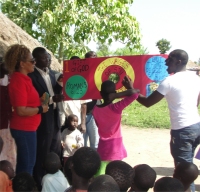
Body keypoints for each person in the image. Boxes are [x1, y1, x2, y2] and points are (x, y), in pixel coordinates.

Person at [136, 49, 200, 192]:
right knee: (188, 167)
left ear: (178, 62)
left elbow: (147, 102)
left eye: (169, 59)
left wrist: (132, 91)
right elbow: (196, 102)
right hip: (196, 126)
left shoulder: (169, 81)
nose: (165, 62)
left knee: (183, 173)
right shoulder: (196, 78)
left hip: (182, 131)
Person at [4, 44, 48, 175]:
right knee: (27, 165)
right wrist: (40, 109)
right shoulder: (19, 81)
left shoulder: (24, 79)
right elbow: (21, 110)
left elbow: (26, 103)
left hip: (28, 128)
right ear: (22, 64)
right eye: (32, 61)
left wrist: (40, 100)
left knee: (27, 163)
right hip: (24, 129)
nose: (34, 63)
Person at [28, 47, 63, 189]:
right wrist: (52, 99)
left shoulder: (53, 74)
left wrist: (60, 86)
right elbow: (34, 99)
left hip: (54, 115)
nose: (48, 59)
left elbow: (55, 92)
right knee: (43, 149)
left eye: (48, 56)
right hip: (41, 116)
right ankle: (40, 180)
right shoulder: (31, 76)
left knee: (55, 147)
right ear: (35, 61)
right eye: (44, 58)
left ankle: (55, 178)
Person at [92, 76, 139, 174]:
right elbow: (135, 93)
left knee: (101, 175)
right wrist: (118, 95)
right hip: (116, 147)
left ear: (101, 94)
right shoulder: (116, 108)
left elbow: (98, 125)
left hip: (103, 147)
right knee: (116, 174)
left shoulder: (95, 109)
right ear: (114, 94)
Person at [0, 60, 16, 169]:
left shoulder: (11, 80)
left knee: (11, 153)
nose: (3, 63)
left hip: (11, 124)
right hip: (1, 124)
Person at [83, 51, 100, 150]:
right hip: (82, 113)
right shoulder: (80, 74)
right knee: (83, 142)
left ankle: (95, 164)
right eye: (89, 59)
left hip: (95, 112)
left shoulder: (100, 74)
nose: (91, 61)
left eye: (94, 58)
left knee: (95, 142)